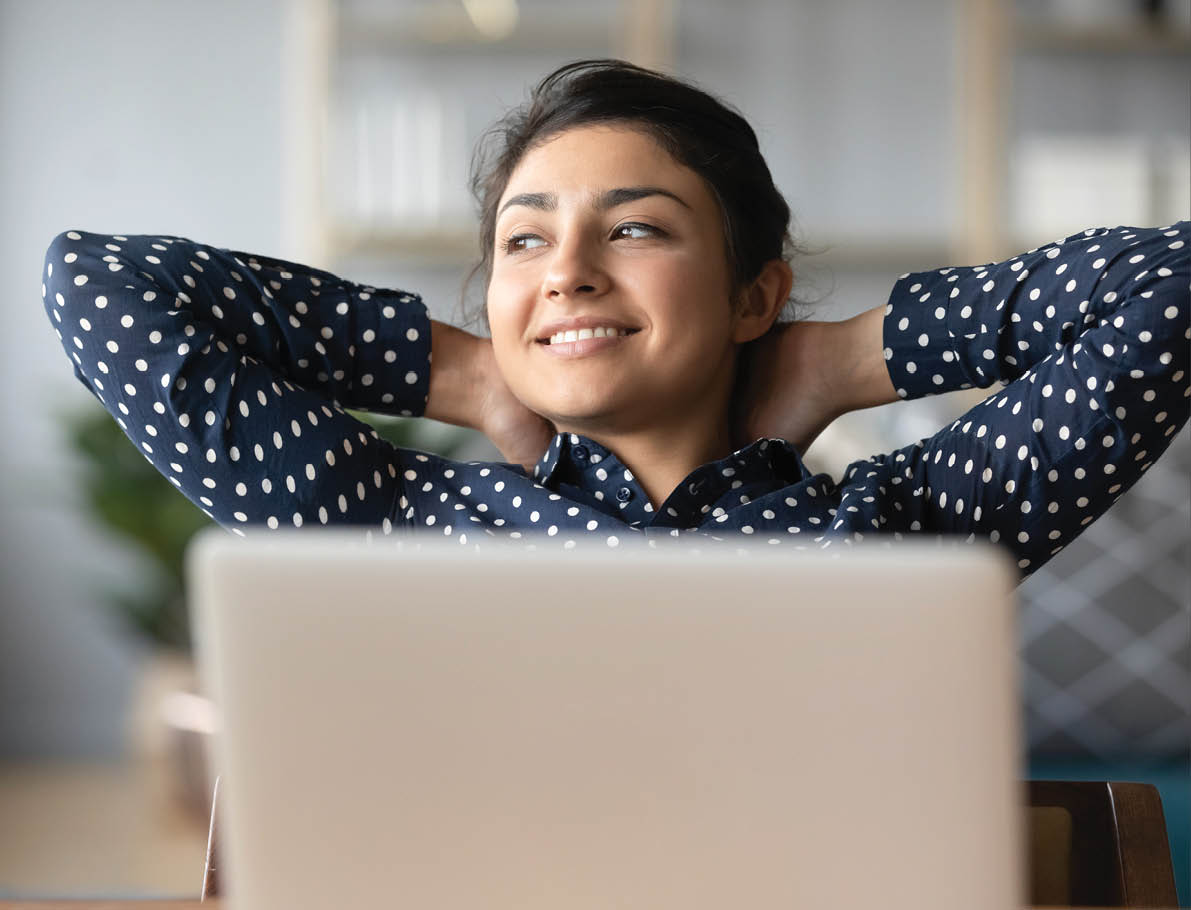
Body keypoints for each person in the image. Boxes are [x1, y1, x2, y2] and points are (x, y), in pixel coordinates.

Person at [42, 59, 1189, 575]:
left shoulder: (907, 530)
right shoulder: (393, 523)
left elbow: (1168, 289)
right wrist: (467, 377)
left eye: (634, 227)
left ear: (755, 294)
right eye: (524, 240)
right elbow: (97, 283)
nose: (568, 271)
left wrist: (843, 360)